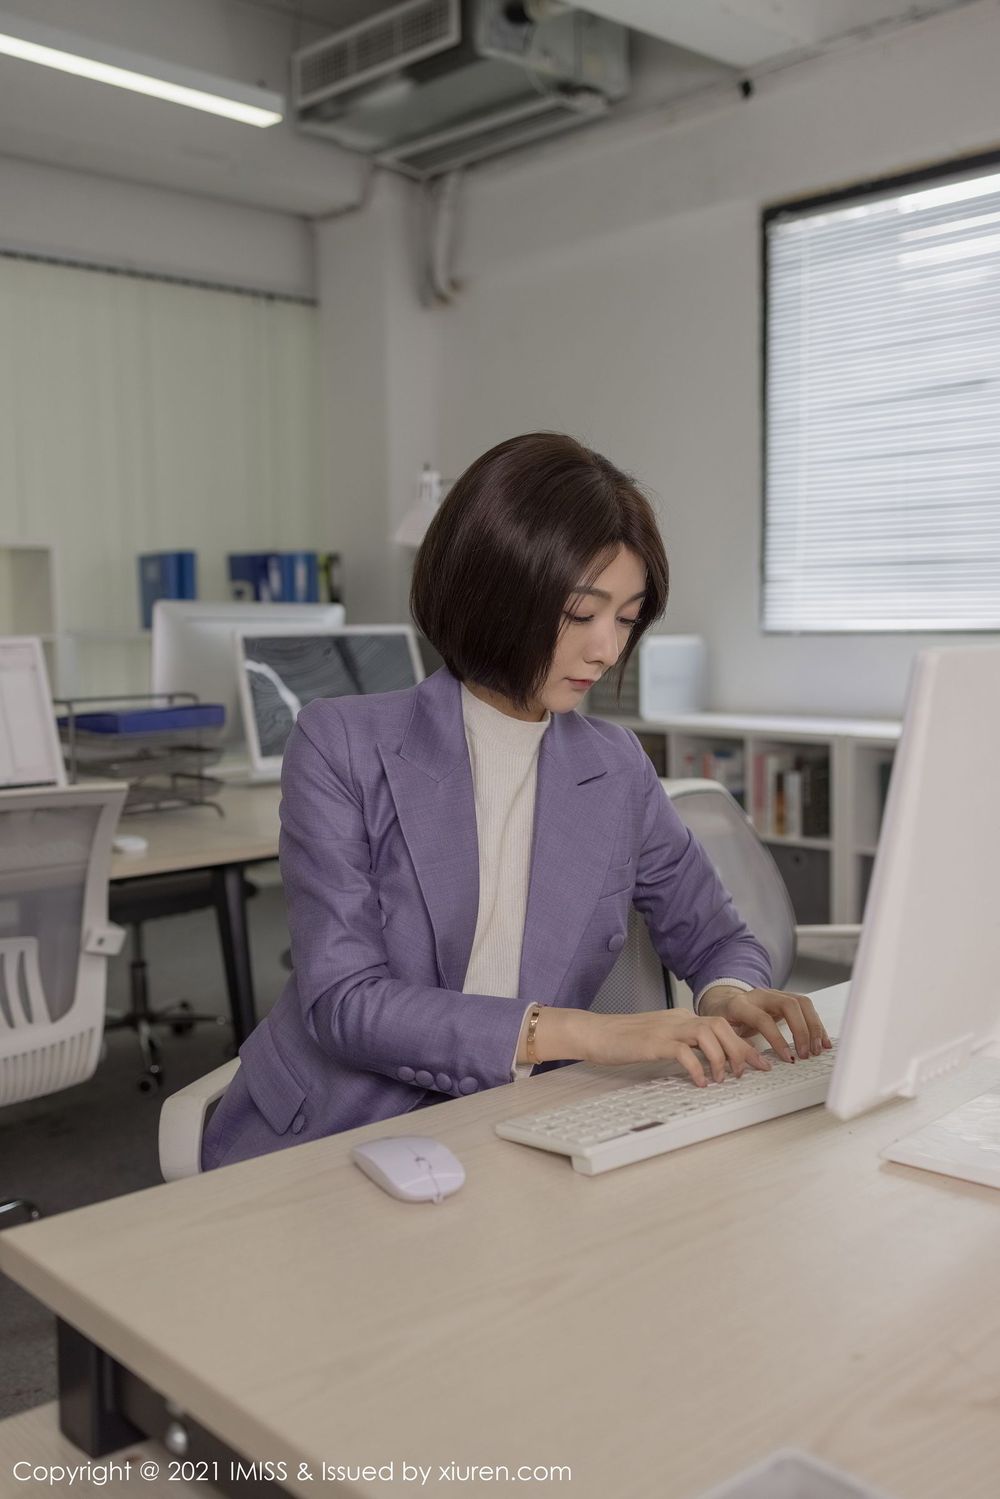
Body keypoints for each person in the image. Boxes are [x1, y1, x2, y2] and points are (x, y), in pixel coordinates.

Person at [200, 432, 830, 1171]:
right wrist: (590, 1034)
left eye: (625, 618)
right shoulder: (340, 743)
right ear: (496, 591)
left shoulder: (614, 766)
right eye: (580, 613)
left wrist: (726, 993)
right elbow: (346, 1003)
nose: (606, 650)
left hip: (516, 1127)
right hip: (331, 1133)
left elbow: (718, 936)